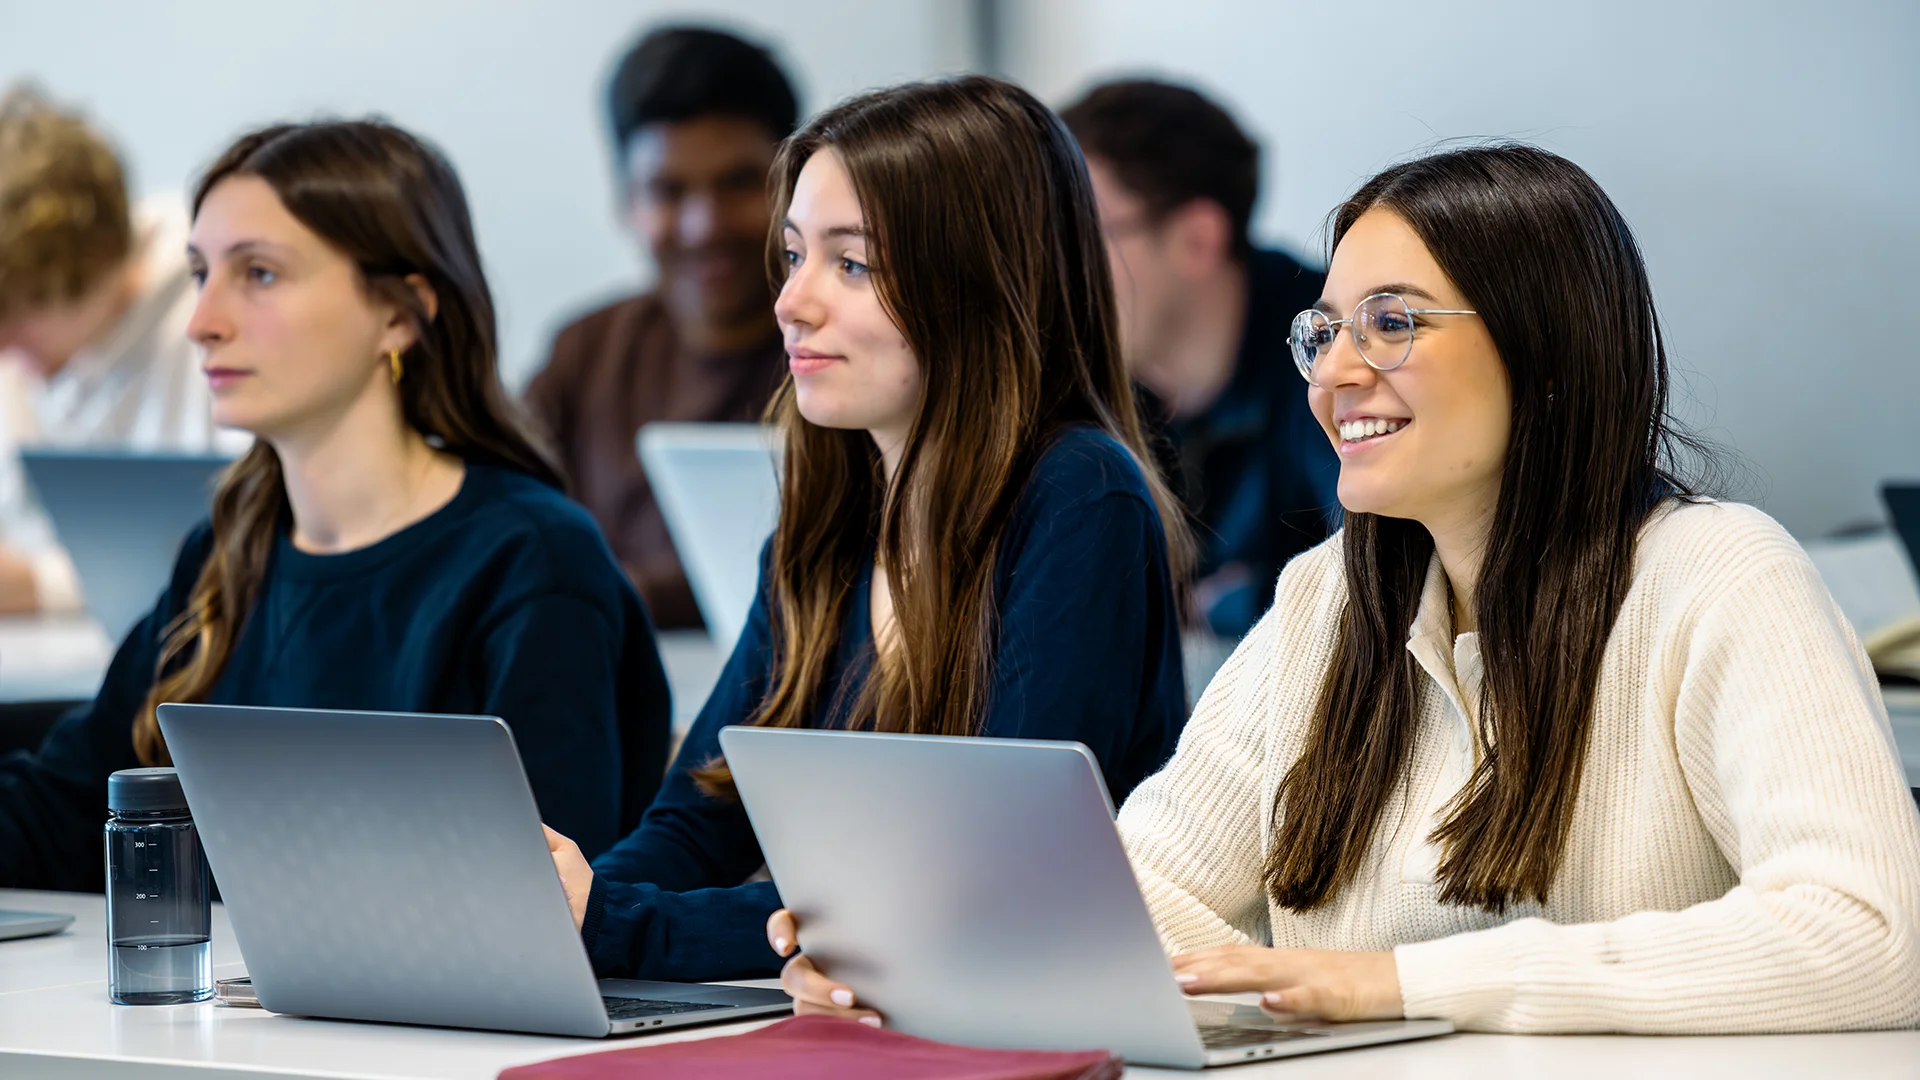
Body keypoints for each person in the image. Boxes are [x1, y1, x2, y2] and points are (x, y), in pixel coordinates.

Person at [771, 144, 1920, 1033]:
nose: (1336, 372)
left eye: (1394, 325)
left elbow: (1874, 934)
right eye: (1324, 332)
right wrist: (933, 938)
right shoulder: (1326, 600)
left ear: (1552, 351)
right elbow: (1139, 893)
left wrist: (1399, 983)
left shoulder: (1718, 575)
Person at [542, 75, 1193, 983]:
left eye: (852, 265)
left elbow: (978, 879)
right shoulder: (832, 518)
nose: (790, 303)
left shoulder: (1080, 499)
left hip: (1031, 1012)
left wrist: (616, 922)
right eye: (794, 255)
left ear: (978, 285)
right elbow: (702, 819)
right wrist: (559, 913)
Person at [0, 120, 671, 890]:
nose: (202, 322)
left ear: (399, 312)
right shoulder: (228, 551)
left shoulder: (532, 562)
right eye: (199, 274)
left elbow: (550, 898)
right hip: (250, 1009)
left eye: (257, 274)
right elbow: (66, 810)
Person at [524, 26, 797, 631]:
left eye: (739, 183)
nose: (705, 226)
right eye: (669, 190)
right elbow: (500, 520)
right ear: (626, 199)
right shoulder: (585, 351)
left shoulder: (844, 349)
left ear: (795, 185)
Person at [1060, 79, 1337, 637]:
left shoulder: (1337, 353)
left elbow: (1390, 576)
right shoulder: (1077, 388)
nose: (1055, 272)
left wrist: (1216, 607)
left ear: (1197, 239)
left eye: (1081, 236)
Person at [0, 85, 247, 615]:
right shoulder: (24, 350)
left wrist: (38, 587)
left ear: (96, 270)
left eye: (17, 318)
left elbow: (242, 555)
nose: (5, 347)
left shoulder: (216, 307)